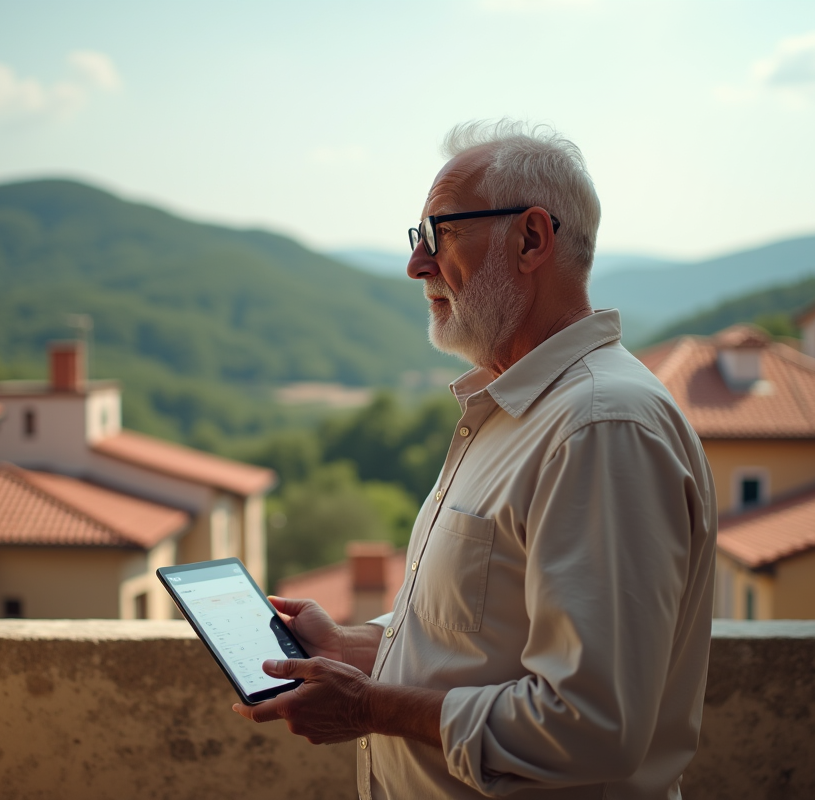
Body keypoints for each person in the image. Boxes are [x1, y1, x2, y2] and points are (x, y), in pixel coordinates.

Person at [235, 120, 717, 800]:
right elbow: (481, 645)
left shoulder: (599, 427)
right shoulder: (519, 413)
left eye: (442, 233)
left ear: (531, 239)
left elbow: (592, 726)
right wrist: (352, 649)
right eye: (418, 238)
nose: (417, 264)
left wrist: (370, 706)